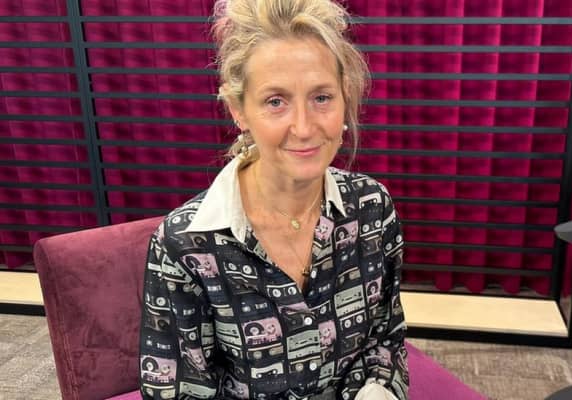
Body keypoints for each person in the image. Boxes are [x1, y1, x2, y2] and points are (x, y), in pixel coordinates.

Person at [138, 0, 408, 399]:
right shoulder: (184, 245)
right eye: (275, 101)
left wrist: (376, 390)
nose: (304, 127)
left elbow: (384, 340)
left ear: (345, 98)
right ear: (238, 111)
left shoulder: (372, 206)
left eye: (321, 97)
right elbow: (178, 390)